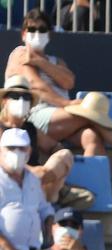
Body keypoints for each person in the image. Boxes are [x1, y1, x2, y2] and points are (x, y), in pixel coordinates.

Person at [5, 9, 112, 165]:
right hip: (36, 116)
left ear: (49, 34)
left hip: (63, 118)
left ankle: (92, 184)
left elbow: (69, 81)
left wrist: (40, 61)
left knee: (91, 136)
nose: (37, 33)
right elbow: (36, 85)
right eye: (32, 29)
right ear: (23, 34)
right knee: (93, 112)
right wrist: (66, 104)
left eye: (42, 29)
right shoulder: (19, 53)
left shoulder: (56, 61)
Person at [0, 74, 73, 203]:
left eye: (26, 97)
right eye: (15, 96)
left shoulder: (31, 128)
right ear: (5, 100)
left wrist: (49, 169)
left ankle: (49, 191)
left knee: (65, 154)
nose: (21, 101)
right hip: (8, 183)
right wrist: (33, 171)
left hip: (38, 181)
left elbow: (54, 146)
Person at [0, 127, 53, 250]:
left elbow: (45, 209)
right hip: (5, 249)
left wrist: (50, 229)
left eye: (22, 148)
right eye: (11, 148)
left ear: (29, 152)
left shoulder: (33, 180)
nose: (17, 152)